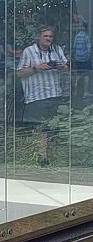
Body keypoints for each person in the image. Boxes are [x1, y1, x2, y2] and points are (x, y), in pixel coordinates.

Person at [17, 26, 69, 165]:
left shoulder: (57, 50)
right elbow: (19, 73)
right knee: (40, 128)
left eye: (50, 36)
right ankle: (42, 156)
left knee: (53, 127)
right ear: (39, 37)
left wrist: (61, 67)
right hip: (36, 96)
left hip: (54, 94)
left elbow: (67, 68)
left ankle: (49, 154)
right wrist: (36, 68)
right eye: (45, 36)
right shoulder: (29, 51)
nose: (48, 39)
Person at [71, 21, 91, 105]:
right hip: (85, 59)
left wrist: (75, 56)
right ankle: (85, 91)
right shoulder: (86, 36)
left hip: (77, 58)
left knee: (78, 74)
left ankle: (75, 91)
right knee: (86, 74)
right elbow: (89, 48)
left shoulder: (77, 36)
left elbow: (74, 47)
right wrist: (88, 56)